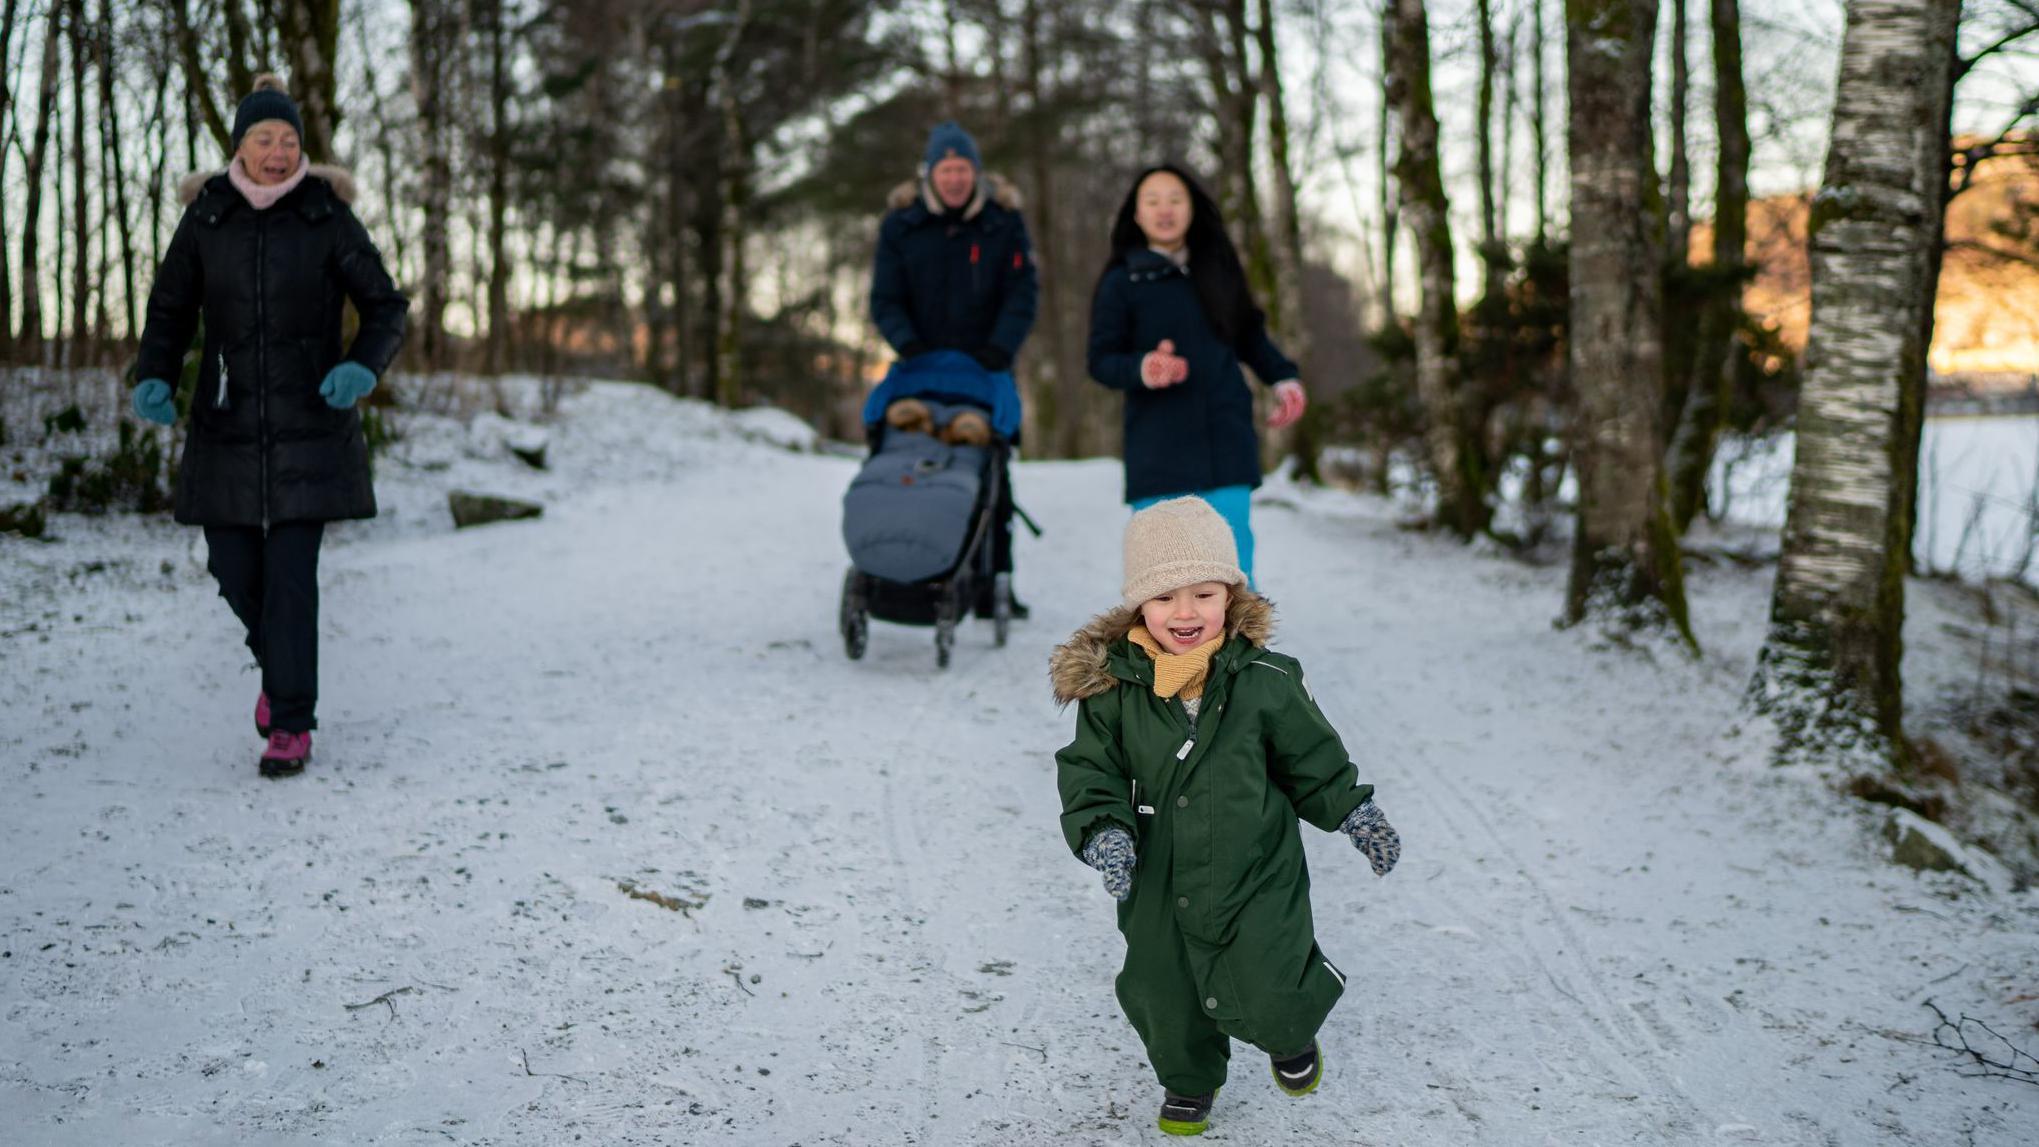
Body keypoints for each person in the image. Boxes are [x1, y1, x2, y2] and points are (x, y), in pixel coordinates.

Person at [1050, 497, 1400, 1137]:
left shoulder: (1266, 680)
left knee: (1270, 972)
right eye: (1164, 598)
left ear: (1231, 597)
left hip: (1255, 865)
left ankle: (1291, 1032)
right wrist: (1105, 832)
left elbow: (1311, 760)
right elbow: (1089, 770)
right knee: (1162, 987)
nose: (1185, 613)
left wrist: (1355, 812)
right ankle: (1187, 1081)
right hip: (1157, 872)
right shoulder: (1113, 690)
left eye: (1204, 594)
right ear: (1138, 608)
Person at [129, 74, 409, 777]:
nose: (278, 152)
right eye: (265, 139)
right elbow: (170, 308)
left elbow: (385, 305)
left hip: (310, 420)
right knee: (231, 564)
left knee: (290, 575)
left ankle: (290, 722)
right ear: (240, 146)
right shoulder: (208, 216)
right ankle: (280, 670)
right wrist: (155, 373)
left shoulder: (324, 213)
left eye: (288, 140)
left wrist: (361, 368)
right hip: (226, 417)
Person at [1086, 164, 1309, 583]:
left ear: (1191, 209)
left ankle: (1242, 651)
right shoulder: (1122, 282)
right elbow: (1100, 360)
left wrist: (1284, 377)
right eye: (1152, 201)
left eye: (1175, 199)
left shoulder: (1219, 268)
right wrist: (1143, 368)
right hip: (1158, 452)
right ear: (1136, 214)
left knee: (1232, 573)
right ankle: (1165, 653)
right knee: (1161, 580)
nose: (1164, 209)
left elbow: (1249, 334)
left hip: (1225, 444)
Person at [870, 121, 1037, 616]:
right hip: (919, 364)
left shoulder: (1004, 223)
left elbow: (1022, 294)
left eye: (963, 169)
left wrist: (1001, 348)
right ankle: (896, 568)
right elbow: (885, 297)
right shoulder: (901, 225)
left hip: (984, 367)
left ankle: (993, 581)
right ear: (930, 173)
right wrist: (907, 343)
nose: (955, 179)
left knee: (992, 475)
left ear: (976, 173)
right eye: (946, 170)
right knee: (908, 461)